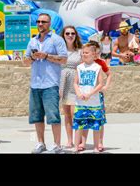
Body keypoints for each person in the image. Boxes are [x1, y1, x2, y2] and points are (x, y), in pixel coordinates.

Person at [24, 13, 68, 154]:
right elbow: (25, 62)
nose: (40, 24)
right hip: (35, 84)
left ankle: (57, 145)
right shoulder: (32, 42)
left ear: (50, 24)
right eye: (38, 21)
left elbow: (64, 59)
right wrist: (33, 57)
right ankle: (41, 143)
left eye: (43, 21)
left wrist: (47, 56)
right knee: (37, 116)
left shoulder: (57, 40)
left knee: (53, 116)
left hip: (50, 84)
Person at [73, 43, 105, 153]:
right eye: (83, 52)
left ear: (93, 54)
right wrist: (78, 92)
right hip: (80, 102)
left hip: (94, 103)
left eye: (86, 53)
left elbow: (100, 84)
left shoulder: (98, 67)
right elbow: (75, 83)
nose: (84, 54)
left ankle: (96, 147)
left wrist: (90, 94)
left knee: (96, 126)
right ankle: (76, 146)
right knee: (79, 125)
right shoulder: (79, 67)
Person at [59, 26, 82, 148]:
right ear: (63, 35)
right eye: (67, 33)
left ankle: (79, 140)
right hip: (63, 82)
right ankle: (69, 140)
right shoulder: (59, 51)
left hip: (75, 83)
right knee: (67, 113)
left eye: (72, 33)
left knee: (75, 113)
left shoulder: (80, 51)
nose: (70, 35)